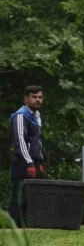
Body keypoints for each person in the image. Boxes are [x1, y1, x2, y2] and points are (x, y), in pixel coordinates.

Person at [7, 85, 46, 227]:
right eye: (34, 97)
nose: (38, 100)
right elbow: (20, 142)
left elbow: (36, 142)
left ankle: (27, 228)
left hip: (33, 164)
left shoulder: (36, 116)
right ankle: (11, 229)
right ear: (26, 98)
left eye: (40, 97)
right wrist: (29, 163)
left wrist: (39, 162)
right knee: (18, 198)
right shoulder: (20, 116)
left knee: (31, 198)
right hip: (23, 163)